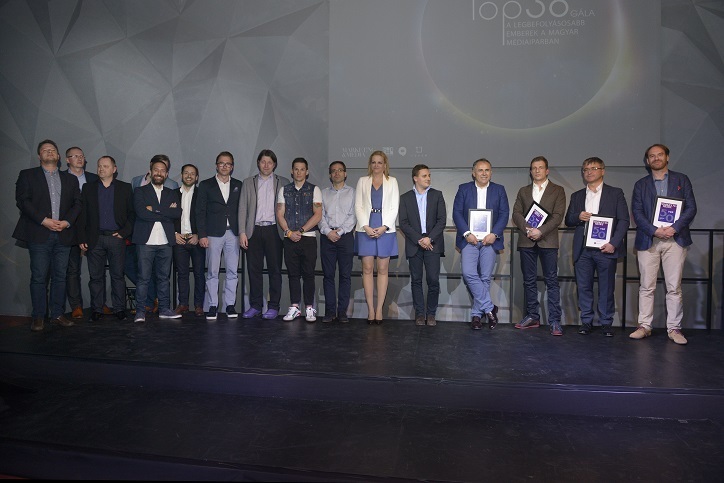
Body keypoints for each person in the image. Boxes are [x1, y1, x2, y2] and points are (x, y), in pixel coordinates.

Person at [630, 144, 697, 345]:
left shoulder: (681, 180)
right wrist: (654, 230)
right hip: (649, 239)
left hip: (675, 239)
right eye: (652, 156)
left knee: (674, 287)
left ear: (667, 157)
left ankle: (674, 328)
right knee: (646, 286)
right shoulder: (641, 184)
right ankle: (644, 326)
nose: (656, 158)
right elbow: (637, 212)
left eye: (660, 155)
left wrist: (674, 228)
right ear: (647, 160)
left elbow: (691, 208)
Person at [13, 139, 82, 331]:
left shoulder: (71, 179)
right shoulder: (27, 175)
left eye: (53, 150)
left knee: (60, 276)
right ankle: (38, 316)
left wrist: (66, 222)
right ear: (39, 156)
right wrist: (44, 220)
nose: (49, 152)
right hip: (39, 233)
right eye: (45, 150)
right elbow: (22, 201)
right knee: (39, 277)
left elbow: (78, 204)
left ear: (59, 156)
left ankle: (57, 314)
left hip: (63, 234)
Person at [565, 157, 629, 337]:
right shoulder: (577, 196)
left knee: (606, 288)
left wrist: (613, 243)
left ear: (603, 171)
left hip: (605, 249)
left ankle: (606, 323)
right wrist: (578, 217)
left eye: (593, 168)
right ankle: (586, 321)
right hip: (583, 249)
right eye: (585, 169)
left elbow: (624, 221)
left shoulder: (615, 193)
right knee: (583, 287)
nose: (589, 172)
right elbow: (568, 220)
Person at [511, 156, 566, 335]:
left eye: (540, 167)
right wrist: (529, 229)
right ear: (530, 171)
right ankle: (532, 316)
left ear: (547, 170)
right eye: (534, 168)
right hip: (526, 240)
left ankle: (555, 320)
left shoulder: (558, 190)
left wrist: (540, 231)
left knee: (551, 280)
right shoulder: (523, 191)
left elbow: (558, 216)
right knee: (529, 280)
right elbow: (516, 213)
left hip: (548, 240)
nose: (537, 170)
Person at [452, 158, 509, 330]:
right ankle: (490, 307)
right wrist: (467, 233)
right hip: (469, 240)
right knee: (469, 273)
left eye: (487, 170)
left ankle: (477, 315)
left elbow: (504, 214)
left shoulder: (499, 190)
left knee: (485, 278)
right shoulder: (464, 189)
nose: (484, 173)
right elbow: (457, 213)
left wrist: (494, 234)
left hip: (490, 241)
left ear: (491, 172)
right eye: (480, 170)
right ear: (473, 173)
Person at [76, 156, 134, 322]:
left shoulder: (125, 187)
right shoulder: (88, 188)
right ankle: (97, 309)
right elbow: (82, 215)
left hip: (116, 238)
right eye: (99, 166)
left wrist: (124, 232)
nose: (101, 169)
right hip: (94, 238)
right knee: (95, 277)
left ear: (114, 169)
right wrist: (82, 237)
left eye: (106, 166)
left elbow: (132, 214)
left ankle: (119, 309)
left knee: (118, 276)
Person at [238, 149, 290, 320]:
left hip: (274, 230)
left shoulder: (283, 182)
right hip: (253, 231)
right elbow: (242, 208)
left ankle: (273, 306)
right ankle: (255, 306)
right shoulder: (248, 182)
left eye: (270, 162)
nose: (266, 165)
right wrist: (242, 232)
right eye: (263, 162)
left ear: (274, 165)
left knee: (275, 270)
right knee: (254, 271)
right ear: (258, 163)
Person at [132, 155, 182, 323]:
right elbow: (141, 213)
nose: (159, 173)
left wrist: (153, 209)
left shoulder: (171, 193)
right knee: (143, 278)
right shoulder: (140, 191)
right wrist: (165, 212)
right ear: (150, 172)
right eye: (156, 170)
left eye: (162, 170)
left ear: (166, 174)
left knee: (164, 278)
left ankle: (164, 309)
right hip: (145, 242)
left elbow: (176, 213)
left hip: (166, 242)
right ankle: (140, 311)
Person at [196, 152, 242, 321]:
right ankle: (212, 305)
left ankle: (230, 305)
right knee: (212, 272)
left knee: (232, 271)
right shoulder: (206, 185)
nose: (224, 166)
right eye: (221, 163)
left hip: (233, 234)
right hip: (213, 234)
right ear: (216, 165)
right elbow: (200, 212)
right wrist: (202, 235)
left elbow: (242, 210)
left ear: (232, 166)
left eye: (228, 163)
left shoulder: (238, 185)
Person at [355, 150, 400, 324]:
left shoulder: (392, 181)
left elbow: (394, 207)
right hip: (365, 227)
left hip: (385, 229)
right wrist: (365, 226)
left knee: (382, 269)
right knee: (367, 268)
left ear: (385, 165)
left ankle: (379, 309)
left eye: (379, 162)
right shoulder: (362, 181)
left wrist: (384, 227)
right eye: (373, 162)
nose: (376, 165)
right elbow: (358, 206)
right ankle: (370, 310)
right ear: (370, 165)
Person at [399, 164, 446, 326]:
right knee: (416, 280)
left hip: (433, 244)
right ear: (415, 178)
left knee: (433, 280)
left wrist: (429, 238)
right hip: (415, 244)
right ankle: (419, 313)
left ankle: (431, 314)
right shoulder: (405, 198)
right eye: (424, 176)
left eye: (429, 175)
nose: (428, 178)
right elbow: (403, 223)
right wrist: (420, 239)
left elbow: (441, 220)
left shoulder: (437, 195)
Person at [277, 158, 323, 322]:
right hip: (289, 238)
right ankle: (295, 307)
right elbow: (280, 214)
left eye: (302, 169)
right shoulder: (284, 190)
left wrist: (301, 231)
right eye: (296, 169)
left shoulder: (314, 190)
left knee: (309, 274)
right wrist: (289, 232)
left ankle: (309, 308)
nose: (299, 172)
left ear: (307, 172)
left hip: (308, 238)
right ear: (292, 171)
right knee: (293, 274)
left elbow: (318, 215)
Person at [319, 161, 356, 323]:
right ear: (330, 175)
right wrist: (328, 232)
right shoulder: (323, 193)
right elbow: (319, 216)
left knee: (345, 275)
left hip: (345, 237)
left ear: (345, 174)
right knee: (328, 275)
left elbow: (354, 216)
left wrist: (339, 232)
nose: (337, 173)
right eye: (334, 171)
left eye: (340, 170)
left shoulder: (353, 193)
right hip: (327, 237)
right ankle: (329, 311)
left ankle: (342, 312)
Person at [64, 146, 99, 319]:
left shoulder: (94, 178)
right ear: (67, 160)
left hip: (92, 229)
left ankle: (99, 304)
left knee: (97, 270)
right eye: (75, 156)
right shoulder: (61, 178)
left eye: (82, 156)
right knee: (73, 270)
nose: (79, 158)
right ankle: (76, 306)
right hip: (69, 229)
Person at [173, 164, 205, 317]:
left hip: (196, 239)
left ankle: (199, 305)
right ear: (181, 175)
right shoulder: (172, 194)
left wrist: (199, 234)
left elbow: (206, 216)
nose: (189, 176)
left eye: (192, 173)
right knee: (182, 274)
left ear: (196, 177)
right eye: (186, 173)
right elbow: (167, 217)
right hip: (179, 240)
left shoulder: (201, 194)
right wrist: (174, 234)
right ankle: (183, 304)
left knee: (199, 273)